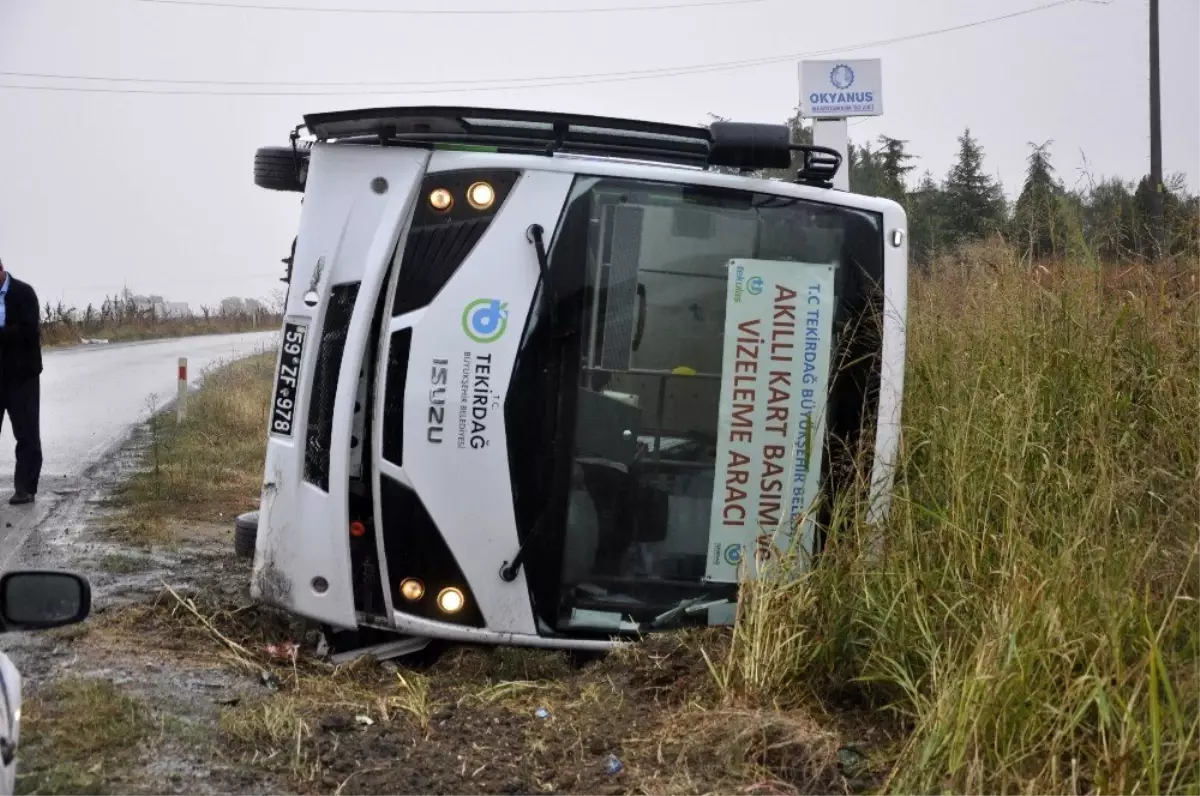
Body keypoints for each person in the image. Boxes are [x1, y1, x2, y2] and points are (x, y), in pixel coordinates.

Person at [0, 257, 43, 505]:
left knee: (26, 433)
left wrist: (4, 334)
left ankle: (25, 488)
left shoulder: (24, 294)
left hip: (22, 376)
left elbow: (29, 331)